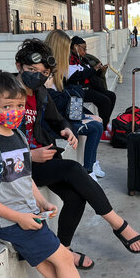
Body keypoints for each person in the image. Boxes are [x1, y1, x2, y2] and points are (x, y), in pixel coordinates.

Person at [0, 70, 130, 278]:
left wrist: (41, 201)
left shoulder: (17, 135)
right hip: (11, 221)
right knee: (65, 259)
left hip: (26, 214)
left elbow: (24, 176)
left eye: (19, 106)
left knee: (50, 269)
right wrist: (18, 217)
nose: (15, 112)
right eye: (6, 106)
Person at [0, 39, 140, 271]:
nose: (37, 77)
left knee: (75, 197)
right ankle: (118, 225)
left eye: (43, 73)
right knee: (73, 169)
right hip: (17, 168)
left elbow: (56, 118)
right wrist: (31, 154)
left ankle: (64, 251)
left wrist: (66, 129)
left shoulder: (40, 93)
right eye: (31, 70)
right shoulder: (1, 97)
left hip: (43, 159)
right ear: (18, 66)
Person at [45, 30, 105, 181]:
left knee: (97, 121)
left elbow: (63, 101)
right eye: (66, 49)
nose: (69, 54)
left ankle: (91, 166)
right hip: (53, 123)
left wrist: (84, 115)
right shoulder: (47, 74)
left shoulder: (56, 71)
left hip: (62, 116)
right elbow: (55, 105)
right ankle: (89, 169)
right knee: (95, 127)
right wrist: (81, 118)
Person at [68, 36, 116, 139]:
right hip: (79, 90)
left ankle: (105, 124)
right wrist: (93, 69)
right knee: (105, 100)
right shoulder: (69, 60)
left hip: (88, 87)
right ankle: (102, 130)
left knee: (111, 96)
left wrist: (99, 70)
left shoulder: (82, 59)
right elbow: (75, 76)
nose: (85, 51)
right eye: (83, 48)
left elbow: (89, 73)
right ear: (75, 47)